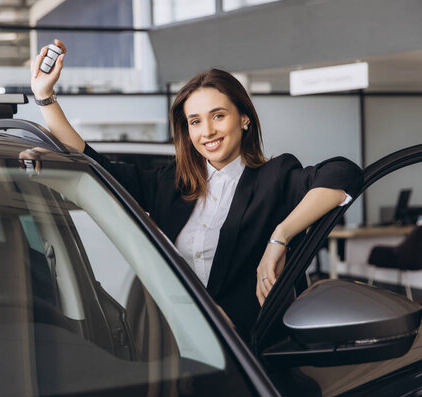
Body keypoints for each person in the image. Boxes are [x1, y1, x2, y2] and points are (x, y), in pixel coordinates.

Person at [27, 40, 363, 342]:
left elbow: (345, 174)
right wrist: (44, 96)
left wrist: (280, 236)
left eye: (218, 116)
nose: (208, 131)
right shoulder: (170, 184)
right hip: (180, 349)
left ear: (244, 119)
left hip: (253, 354)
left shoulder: (273, 178)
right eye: (195, 121)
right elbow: (92, 162)